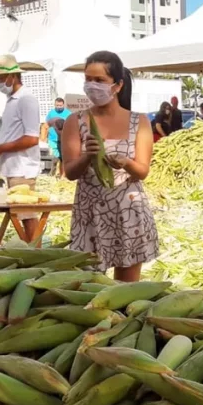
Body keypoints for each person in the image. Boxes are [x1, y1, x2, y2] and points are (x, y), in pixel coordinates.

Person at [63, 50, 157, 283]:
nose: (92, 85)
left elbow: (143, 171)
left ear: (117, 85)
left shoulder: (140, 121)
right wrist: (87, 156)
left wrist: (126, 163)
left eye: (99, 80)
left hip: (128, 212)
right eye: (88, 79)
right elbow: (70, 172)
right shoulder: (75, 121)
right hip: (90, 213)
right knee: (89, 287)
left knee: (125, 290)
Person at [0, 55, 42, 238]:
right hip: (11, 167)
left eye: (0, 79)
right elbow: (10, 133)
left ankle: (35, 251)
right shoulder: (11, 100)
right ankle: (28, 248)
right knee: (18, 214)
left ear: (13, 77)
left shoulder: (26, 100)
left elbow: (31, 138)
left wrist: (0, 149)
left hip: (23, 168)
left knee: (27, 215)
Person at [45, 97, 72, 177]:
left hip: (63, 139)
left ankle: (63, 175)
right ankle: (52, 174)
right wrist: (43, 138)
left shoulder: (68, 113)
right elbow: (46, 125)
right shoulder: (51, 113)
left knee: (63, 158)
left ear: (63, 105)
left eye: (60, 105)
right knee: (55, 158)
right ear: (54, 105)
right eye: (57, 105)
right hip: (53, 139)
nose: (59, 107)